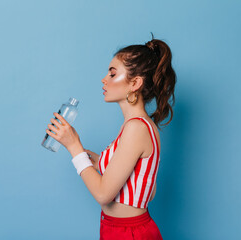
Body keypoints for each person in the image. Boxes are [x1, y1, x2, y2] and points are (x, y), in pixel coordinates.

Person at [45, 32, 176, 240]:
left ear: (135, 84)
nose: (104, 79)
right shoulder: (139, 125)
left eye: (113, 74)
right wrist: (99, 162)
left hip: (129, 233)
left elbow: (103, 194)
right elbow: (147, 189)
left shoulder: (136, 128)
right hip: (118, 229)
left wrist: (74, 147)